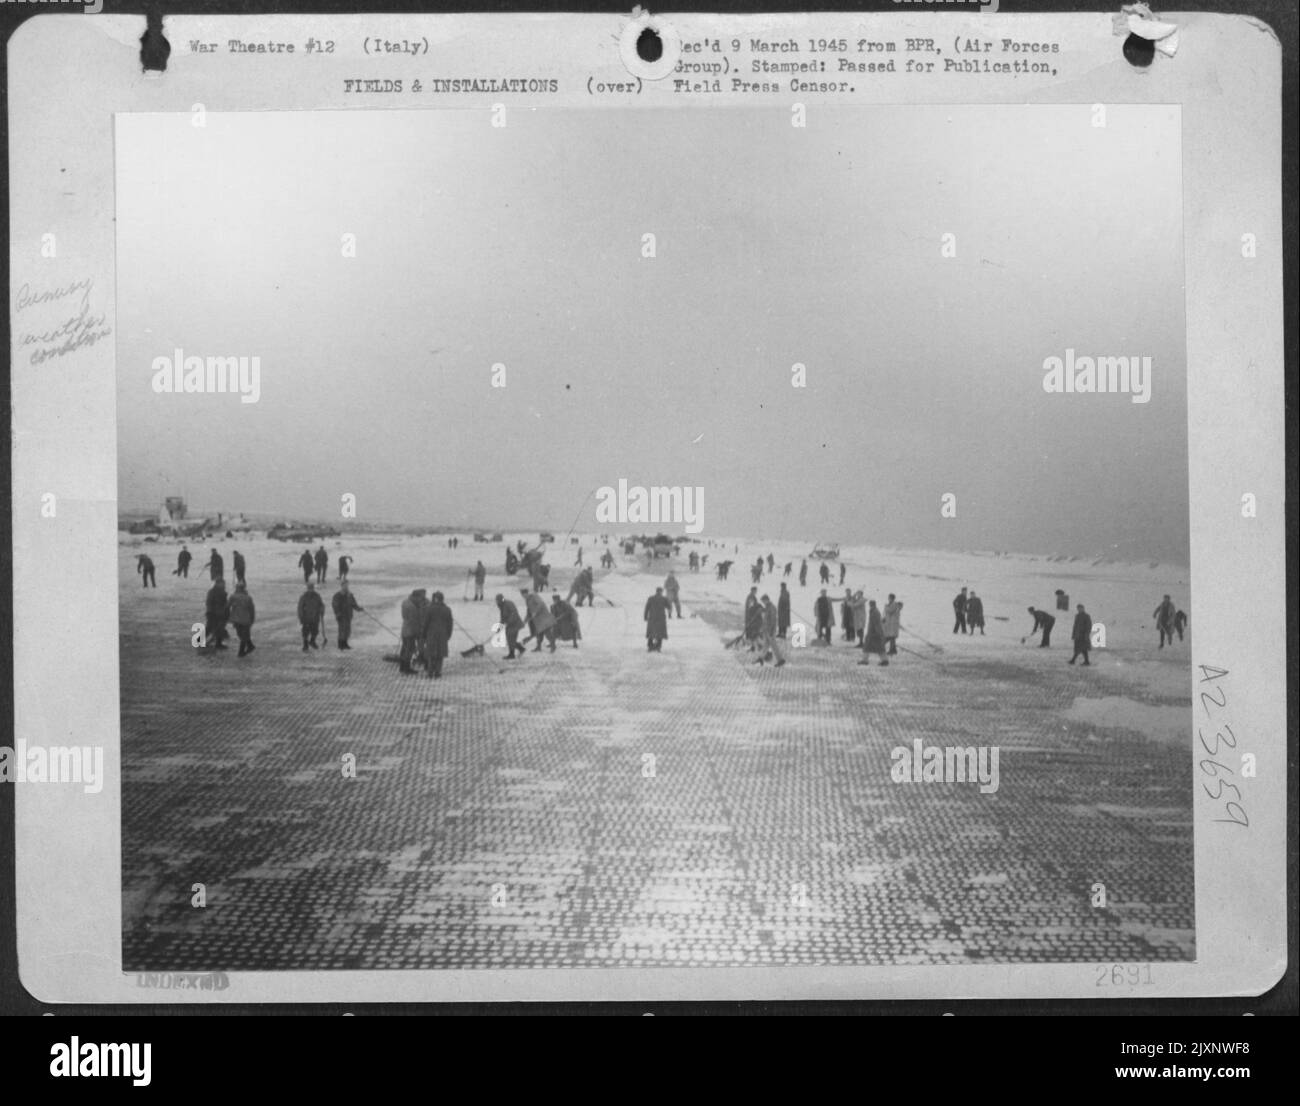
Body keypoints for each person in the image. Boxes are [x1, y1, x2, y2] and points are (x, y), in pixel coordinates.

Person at [422, 591, 454, 678]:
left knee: (431, 653)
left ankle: (430, 672)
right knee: (440, 654)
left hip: (431, 634)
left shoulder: (429, 609)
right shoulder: (447, 609)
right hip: (443, 634)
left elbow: (426, 623)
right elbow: (450, 624)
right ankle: (438, 672)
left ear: (434, 599)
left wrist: (424, 634)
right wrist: (448, 635)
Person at [398, 588, 427, 672]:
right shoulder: (412, 607)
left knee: (404, 649)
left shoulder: (406, 602)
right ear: (416, 597)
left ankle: (402, 667)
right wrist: (419, 633)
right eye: (421, 597)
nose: (422, 599)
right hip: (410, 632)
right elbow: (414, 621)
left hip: (405, 630)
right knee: (409, 650)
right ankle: (406, 668)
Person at [331, 579, 363, 650]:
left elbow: (354, 604)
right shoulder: (338, 595)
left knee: (347, 630)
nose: (346, 587)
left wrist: (359, 609)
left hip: (348, 615)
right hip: (341, 616)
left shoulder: (350, 595)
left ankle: (345, 643)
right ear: (341, 586)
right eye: (345, 585)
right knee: (342, 630)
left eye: (347, 585)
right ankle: (340, 644)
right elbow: (335, 605)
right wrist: (338, 613)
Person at [757, 594, 786, 667]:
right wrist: (762, 629)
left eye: (763, 601)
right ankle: (760, 657)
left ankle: (780, 660)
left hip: (770, 631)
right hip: (767, 630)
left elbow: (773, 620)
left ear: (766, 600)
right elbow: (765, 620)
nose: (763, 603)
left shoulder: (771, 607)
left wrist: (771, 631)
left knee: (774, 646)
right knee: (766, 645)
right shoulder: (767, 607)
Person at [228, 581, 256, 657]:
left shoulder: (233, 597)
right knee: (244, 635)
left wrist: (226, 616)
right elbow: (252, 609)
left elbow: (227, 606)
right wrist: (252, 619)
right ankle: (250, 646)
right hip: (246, 620)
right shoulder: (248, 598)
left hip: (237, 620)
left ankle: (242, 651)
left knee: (241, 635)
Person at [495, 593, 526, 660]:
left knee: (511, 639)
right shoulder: (501, 606)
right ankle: (520, 649)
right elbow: (503, 618)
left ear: (502, 599)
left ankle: (513, 654)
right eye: (497, 600)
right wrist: (499, 628)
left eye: (498, 600)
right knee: (510, 639)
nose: (497, 602)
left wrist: (509, 622)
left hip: (515, 624)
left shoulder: (509, 603)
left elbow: (514, 613)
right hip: (510, 625)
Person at [859, 599, 888, 666]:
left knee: (871, 647)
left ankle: (865, 660)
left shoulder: (875, 612)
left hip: (874, 634)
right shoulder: (874, 611)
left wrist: (879, 633)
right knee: (876, 648)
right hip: (873, 633)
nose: (870, 606)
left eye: (871, 604)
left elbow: (876, 624)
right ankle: (884, 660)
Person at [298, 580, 325, 652]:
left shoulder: (317, 596)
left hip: (315, 617)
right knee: (305, 632)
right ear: (307, 589)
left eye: (312, 588)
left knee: (315, 631)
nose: (311, 590)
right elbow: (300, 608)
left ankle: (312, 641)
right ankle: (305, 644)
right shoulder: (304, 597)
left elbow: (321, 604)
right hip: (306, 618)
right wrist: (301, 617)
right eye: (309, 588)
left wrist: (322, 610)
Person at [204, 577, 229, 651]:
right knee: (209, 627)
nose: (224, 585)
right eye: (222, 583)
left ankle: (218, 643)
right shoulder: (212, 592)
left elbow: (225, 603)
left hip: (221, 613)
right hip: (213, 613)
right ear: (217, 584)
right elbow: (209, 602)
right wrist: (210, 611)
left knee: (220, 628)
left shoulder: (223, 592)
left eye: (224, 583)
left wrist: (227, 612)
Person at [644, 587, 670, 652]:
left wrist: (645, 616)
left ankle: (650, 646)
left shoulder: (651, 598)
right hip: (661, 619)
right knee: (660, 633)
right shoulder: (664, 599)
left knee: (651, 632)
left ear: (656, 591)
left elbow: (647, 608)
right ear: (661, 592)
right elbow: (669, 607)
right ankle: (658, 646)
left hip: (652, 618)